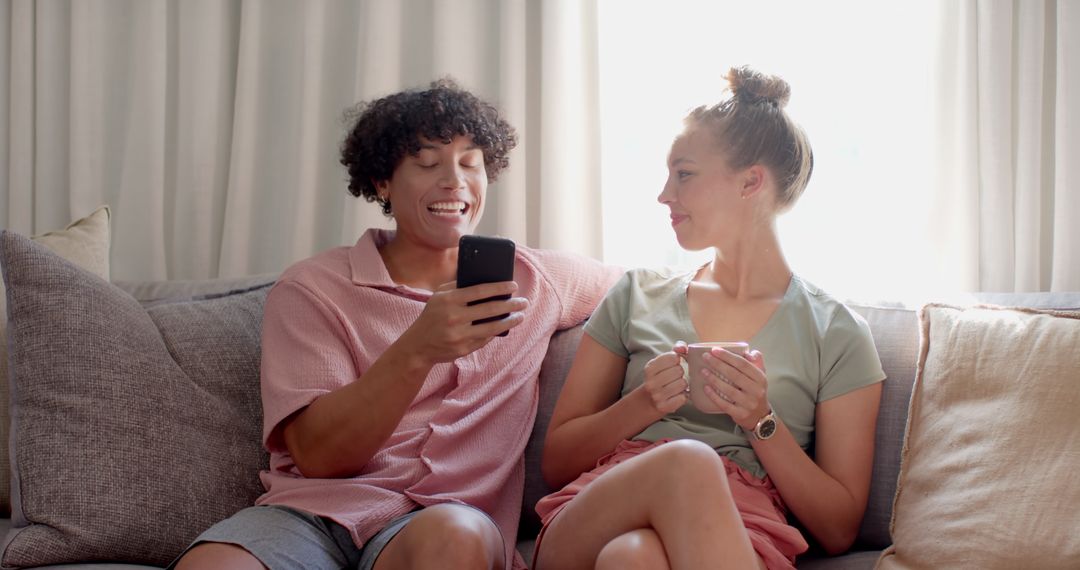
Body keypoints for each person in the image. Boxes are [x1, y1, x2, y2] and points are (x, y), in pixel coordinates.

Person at [171, 79, 621, 570]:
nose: (454, 181)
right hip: (311, 518)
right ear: (382, 182)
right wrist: (418, 349)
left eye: (470, 163)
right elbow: (319, 457)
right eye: (427, 163)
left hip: (440, 529)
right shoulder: (314, 288)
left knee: (457, 535)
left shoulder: (536, 280)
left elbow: (651, 290)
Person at [533, 66, 886, 570]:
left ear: (750, 182)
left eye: (684, 173)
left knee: (634, 560)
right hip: (595, 515)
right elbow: (556, 464)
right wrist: (643, 404)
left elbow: (837, 528)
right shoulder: (636, 295)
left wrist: (759, 420)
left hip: (734, 535)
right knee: (685, 464)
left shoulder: (837, 332)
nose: (664, 195)